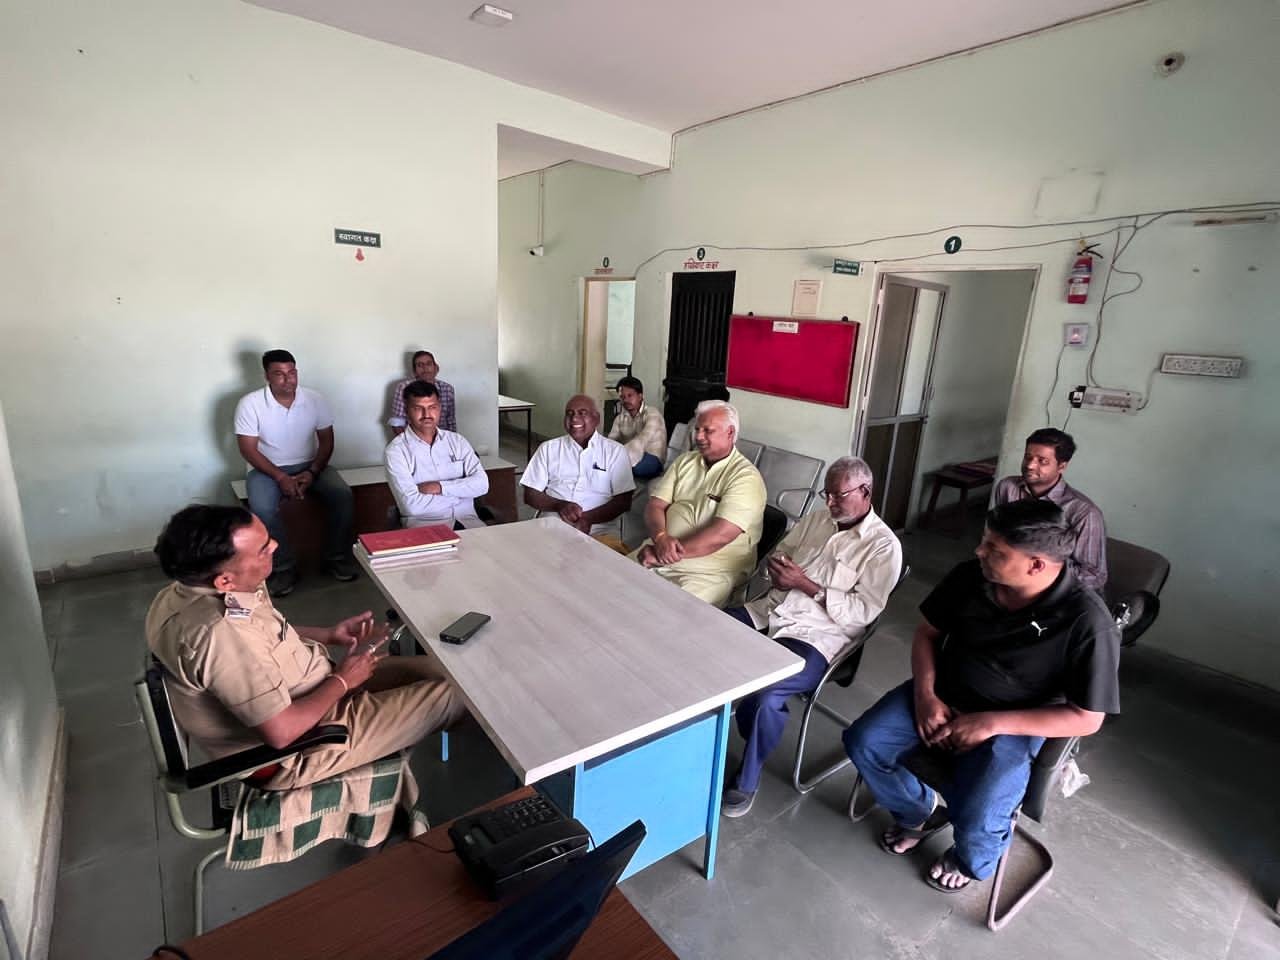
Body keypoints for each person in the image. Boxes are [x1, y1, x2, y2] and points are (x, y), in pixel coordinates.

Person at [842, 499, 1119, 894]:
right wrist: (925, 695)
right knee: (864, 741)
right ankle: (917, 812)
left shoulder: (1087, 621)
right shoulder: (971, 576)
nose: (979, 552)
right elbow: (927, 634)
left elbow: (1087, 718)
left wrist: (991, 723)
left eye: (995, 549)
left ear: (1036, 565)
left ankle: (969, 861)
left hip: (1014, 724)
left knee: (980, 812)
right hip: (945, 693)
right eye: (984, 541)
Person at [146, 505, 466, 789]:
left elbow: (259, 641)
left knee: (447, 671)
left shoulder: (186, 591)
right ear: (224, 581)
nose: (276, 546)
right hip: (299, 749)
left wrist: (328, 634)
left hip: (313, 691)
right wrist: (343, 681)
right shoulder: (219, 634)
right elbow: (282, 733)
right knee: (459, 694)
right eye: (263, 549)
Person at [719, 457, 902, 817]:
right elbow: (782, 553)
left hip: (819, 637)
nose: (830, 502)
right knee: (711, 633)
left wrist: (806, 584)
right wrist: (777, 570)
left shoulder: (883, 546)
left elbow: (865, 612)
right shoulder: (819, 519)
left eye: (838, 496)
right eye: (826, 494)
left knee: (767, 691)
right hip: (771, 611)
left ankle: (748, 776)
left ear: (865, 492)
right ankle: (700, 728)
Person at [234, 349, 355, 597]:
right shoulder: (250, 403)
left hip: (310, 465)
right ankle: (284, 567)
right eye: (279, 374)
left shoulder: (315, 399)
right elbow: (248, 450)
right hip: (266, 469)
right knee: (262, 508)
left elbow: (327, 442)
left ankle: (336, 558)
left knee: (342, 495)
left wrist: (312, 472)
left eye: (292, 372)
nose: (288, 379)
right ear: (267, 376)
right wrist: (280, 477)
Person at [631, 400, 765, 606]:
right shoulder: (685, 461)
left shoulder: (746, 478)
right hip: (659, 549)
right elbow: (655, 505)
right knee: (610, 581)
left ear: (730, 433)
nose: (699, 437)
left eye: (708, 431)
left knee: (667, 612)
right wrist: (660, 537)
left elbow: (720, 536)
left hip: (707, 572)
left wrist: (662, 554)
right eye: (697, 429)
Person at [993, 428, 1107, 590]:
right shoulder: (1008, 487)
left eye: (1042, 461)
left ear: (1062, 466)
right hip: (1009, 574)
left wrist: (1040, 579)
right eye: (1028, 457)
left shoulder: (1084, 513)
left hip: (1056, 588)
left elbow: (1094, 576)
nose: (1030, 465)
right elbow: (999, 536)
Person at [521, 395, 635, 549]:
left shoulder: (615, 451)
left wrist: (588, 519)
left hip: (600, 529)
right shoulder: (548, 448)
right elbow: (530, 494)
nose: (574, 418)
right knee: (533, 558)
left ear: (596, 419)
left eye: (582, 413)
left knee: (606, 562)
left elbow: (623, 501)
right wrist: (559, 505)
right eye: (569, 413)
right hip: (553, 525)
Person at [384, 381, 488, 529]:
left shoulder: (457, 441)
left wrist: (439, 487)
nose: (426, 415)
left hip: (470, 523)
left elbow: (482, 485)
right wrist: (461, 494)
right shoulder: (396, 451)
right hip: (426, 527)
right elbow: (412, 506)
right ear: (406, 411)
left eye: (432, 407)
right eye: (418, 408)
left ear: (439, 408)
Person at [607, 376, 668, 480]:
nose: (626, 400)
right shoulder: (620, 418)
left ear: (640, 396)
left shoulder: (652, 414)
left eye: (630, 395)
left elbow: (642, 441)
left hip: (652, 458)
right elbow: (611, 441)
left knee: (628, 469)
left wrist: (618, 458)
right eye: (622, 397)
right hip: (628, 455)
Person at [389, 350, 457, 435]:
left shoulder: (447, 389)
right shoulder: (404, 387)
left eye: (428, 364)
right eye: (420, 365)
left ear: (436, 368)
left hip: (441, 438)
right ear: (414, 371)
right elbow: (397, 423)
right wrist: (407, 442)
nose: (425, 368)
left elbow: (450, 421)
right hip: (413, 438)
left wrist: (449, 441)